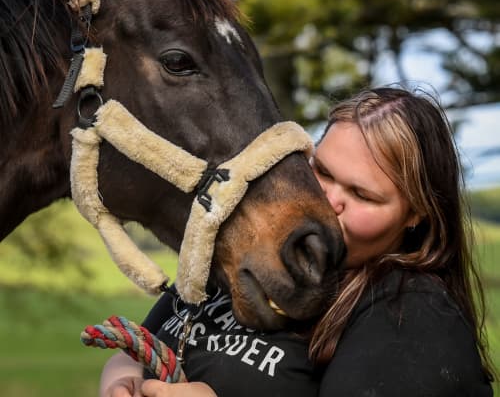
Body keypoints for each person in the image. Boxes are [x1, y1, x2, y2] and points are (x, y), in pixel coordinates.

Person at [100, 87, 495, 397]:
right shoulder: (255, 252)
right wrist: (122, 378)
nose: (328, 200)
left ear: (416, 214)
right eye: (321, 170)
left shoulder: (410, 313)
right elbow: (137, 347)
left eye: (362, 195)